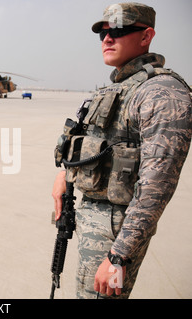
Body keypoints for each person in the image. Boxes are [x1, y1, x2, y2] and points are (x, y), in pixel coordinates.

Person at [52, 2, 191, 299]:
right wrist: (65, 175)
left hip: (115, 233)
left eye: (118, 30)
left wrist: (119, 256)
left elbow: (157, 186)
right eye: (103, 33)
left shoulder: (162, 91)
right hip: (96, 223)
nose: (107, 39)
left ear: (146, 36)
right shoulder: (120, 87)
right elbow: (95, 142)